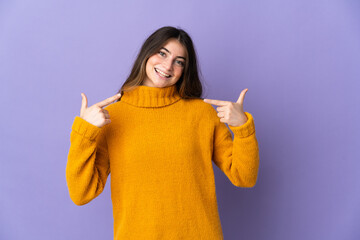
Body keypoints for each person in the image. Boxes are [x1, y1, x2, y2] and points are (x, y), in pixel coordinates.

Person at [66, 26, 259, 240]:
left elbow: (244, 177)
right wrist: (84, 133)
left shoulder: (202, 114)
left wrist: (243, 128)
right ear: (147, 54)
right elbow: (81, 194)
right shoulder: (112, 117)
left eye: (179, 61)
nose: (168, 66)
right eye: (162, 53)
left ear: (185, 70)